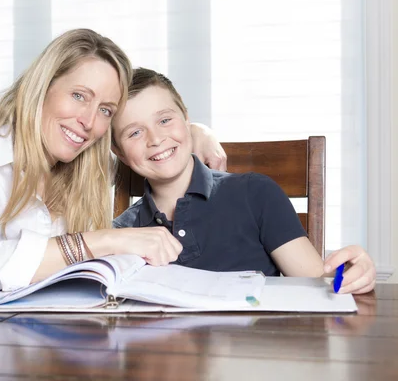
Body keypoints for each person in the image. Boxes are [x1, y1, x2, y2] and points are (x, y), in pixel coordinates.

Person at [0, 29, 226, 294]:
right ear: (41, 87)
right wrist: (106, 240)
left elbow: (150, 140)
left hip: (51, 329)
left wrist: (197, 130)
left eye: (105, 110)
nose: (89, 121)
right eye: (79, 95)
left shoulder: (94, 165)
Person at [111, 68, 376, 294]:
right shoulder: (120, 234)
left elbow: (320, 286)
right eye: (134, 132)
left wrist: (352, 275)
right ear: (119, 152)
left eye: (165, 120)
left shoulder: (255, 194)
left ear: (186, 119)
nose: (155, 139)